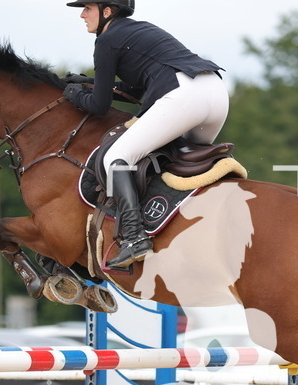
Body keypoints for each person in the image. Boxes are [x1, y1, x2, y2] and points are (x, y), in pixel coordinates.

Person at [63, 0, 228, 269]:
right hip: (214, 93)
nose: (82, 14)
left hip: (183, 95)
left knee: (117, 157)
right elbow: (136, 90)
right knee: (180, 160)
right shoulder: (140, 30)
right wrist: (87, 83)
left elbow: (99, 105)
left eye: (88, 8)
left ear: (107, 11)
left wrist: (73, 93)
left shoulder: (106, 41)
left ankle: (134, 237)